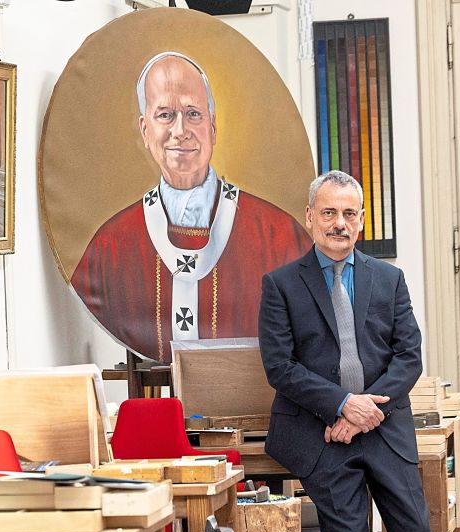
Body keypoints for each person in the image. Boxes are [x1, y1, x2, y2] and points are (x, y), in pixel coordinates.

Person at [258, 170, 460, 532]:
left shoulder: (388, 279)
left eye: (350, 213)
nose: (340, 224)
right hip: (323, 437)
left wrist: (363, 411)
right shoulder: (281, 285)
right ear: (310, 216)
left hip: (383, 430)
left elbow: (409, 355)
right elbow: (280, 367)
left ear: (361, 219)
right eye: (329, 213)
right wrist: (340, 405)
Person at [71, 51, 310, 363]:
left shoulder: (277, 234)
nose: (180, 130)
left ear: (213, 126)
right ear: (145, 130)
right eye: (165, 115)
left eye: (193, 113)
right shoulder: (110, 246)